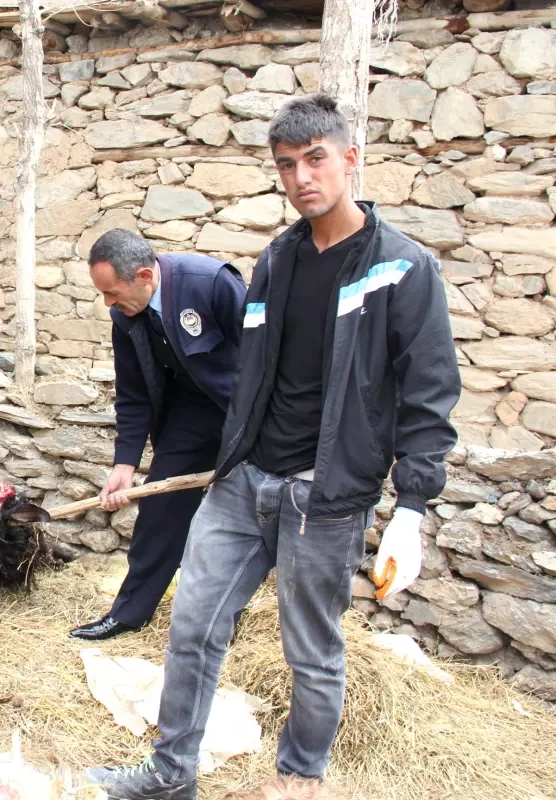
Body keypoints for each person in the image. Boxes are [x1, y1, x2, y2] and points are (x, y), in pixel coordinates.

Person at [86, 94, 460, 798]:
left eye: (315, 159)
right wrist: (228, 455)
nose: (300, 178)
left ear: (350, 160)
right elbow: (251, 375)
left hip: (328, 495)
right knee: (192, 627)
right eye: (286, 165)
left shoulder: (402, 269)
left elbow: (430, 392)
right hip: (245, 480)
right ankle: (170, 776)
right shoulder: (277, 260)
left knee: (310, 653)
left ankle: (298, 784)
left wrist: (412, 507)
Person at [69, 229, 245, 641]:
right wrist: (125, 464)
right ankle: (129, 614)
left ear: (145, 276)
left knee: (240, 517)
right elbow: (132, 395)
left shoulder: (212, 284)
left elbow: (269, 354)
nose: (108, 303)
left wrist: (270, 430)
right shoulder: (125, 316)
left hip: (246, 414)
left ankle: (221, 622)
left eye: (112, 292)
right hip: (190, 415)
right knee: (160, 511)